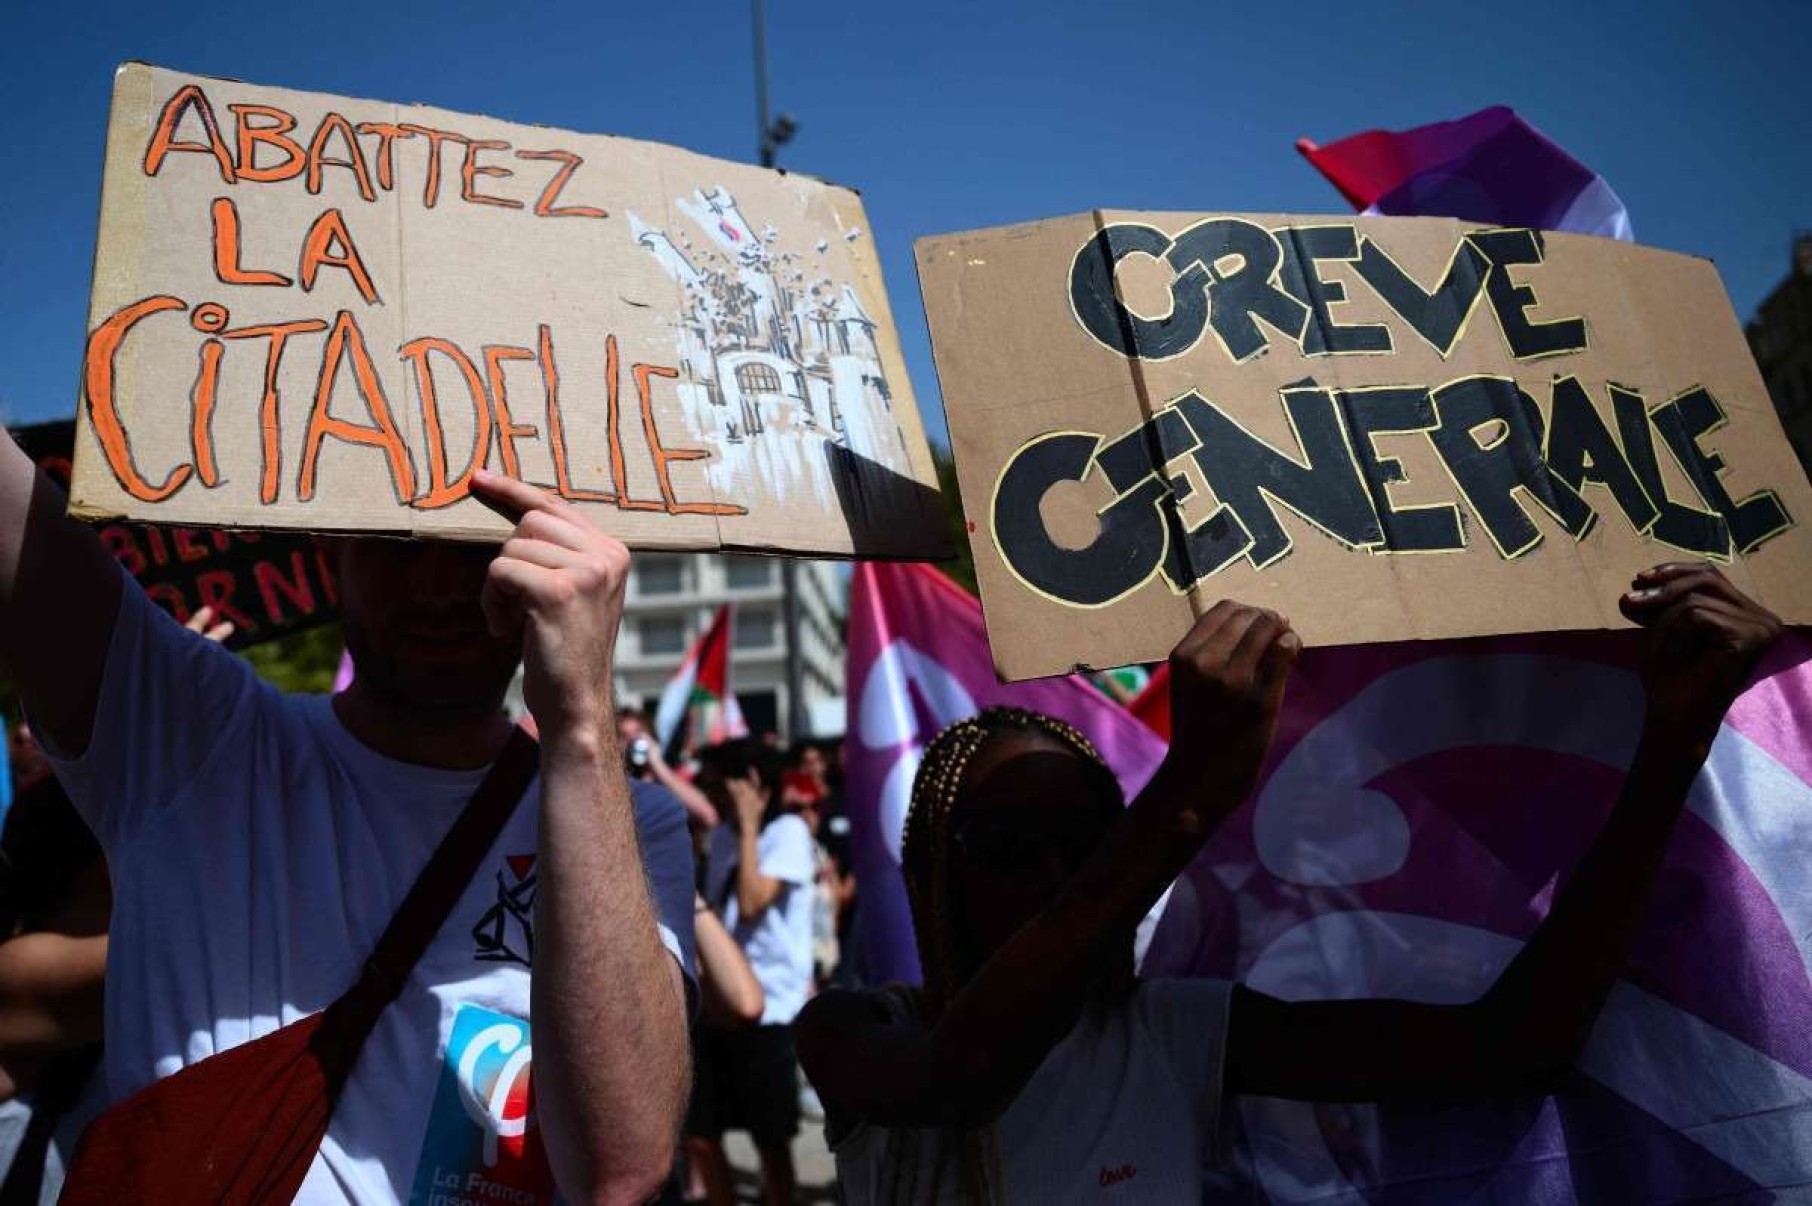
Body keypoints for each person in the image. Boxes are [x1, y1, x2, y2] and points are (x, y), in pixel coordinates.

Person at [797, 564, 1781, 1203]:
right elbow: (958, 1079)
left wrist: (1675, 742)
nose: (1058, 879)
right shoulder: (856, 1028)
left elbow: (1516, 1043)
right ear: (929, 869)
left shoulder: (1175, 1033)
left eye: (1087, 846)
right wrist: (1186, 799)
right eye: (1009, 848)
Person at [0, 436, 696, 1205]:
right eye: (395, 543)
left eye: (476, 549)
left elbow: (621, 1167)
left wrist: (580, 723)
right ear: (331, 549)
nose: (435, 587)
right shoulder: (192, 740)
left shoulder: (628, 824)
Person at [686, 739, 816, 1206]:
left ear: (753, 782)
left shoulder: (787, 833)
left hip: (771, 1008)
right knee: (701, 1134)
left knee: (770, 1139)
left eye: (722, 784)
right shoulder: (720, 835)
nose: (715, 795)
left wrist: (749, 827)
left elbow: (755, 901)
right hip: (717, 1003)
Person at [620, 707, 719, 831]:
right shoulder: (616, 788)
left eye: (638, 733)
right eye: (624, 736)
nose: (633, 742)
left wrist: (657, 764)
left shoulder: (670, 781)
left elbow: (709, 816)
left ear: (651, 737)